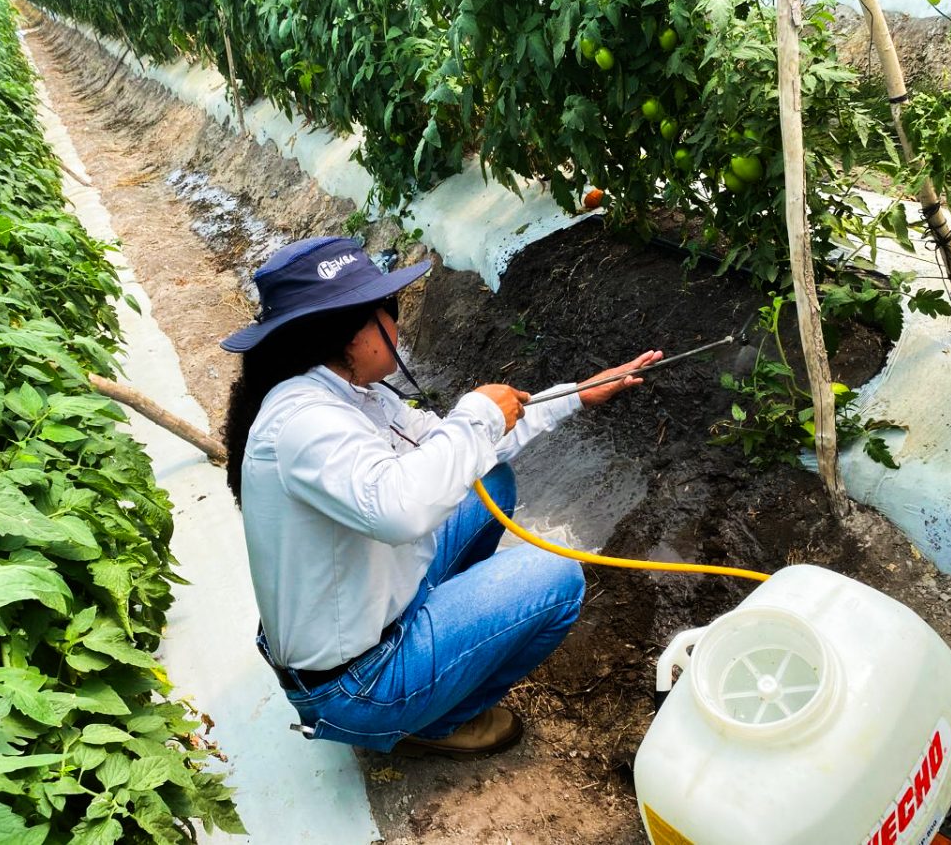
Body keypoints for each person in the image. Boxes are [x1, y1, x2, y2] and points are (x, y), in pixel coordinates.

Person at [221, 235, 662, 759]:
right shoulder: (305, 423)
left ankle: (438, 650)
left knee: (489, 480)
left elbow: (453, 450)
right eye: (388, 311)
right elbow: (400, 509)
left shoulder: (349, 395)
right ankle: (434, 721)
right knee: (557, 579)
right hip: (354, 681)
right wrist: (477, 413)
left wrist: (575, 395)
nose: (397, 324)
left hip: (371, 609)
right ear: (346, 334)